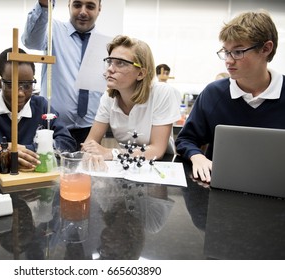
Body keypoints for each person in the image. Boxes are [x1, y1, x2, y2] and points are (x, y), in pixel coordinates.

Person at [175, 10, 285, 183]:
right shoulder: (213, 93)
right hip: (219, 188)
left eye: (238, 52)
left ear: (266, 48)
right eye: (226, 52)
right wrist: (197, 156)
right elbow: (186, 139)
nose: (228, 60)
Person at [0, 48, 76, 170]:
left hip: (32, 183)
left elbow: (67, 143)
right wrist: (1, 156)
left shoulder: (42, 106)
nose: (20, 93)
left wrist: (26, 149)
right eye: (12, 85)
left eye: (27, 85)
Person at [81, 35, 181, 161]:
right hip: (125, 166)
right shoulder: (108, 97)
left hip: (159, 166)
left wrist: (111, 153)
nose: (110, 69)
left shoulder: (162, 93)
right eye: (110, 62)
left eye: (120, 63)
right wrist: (90, 152)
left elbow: (157, 150)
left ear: (141, 73)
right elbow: (90, 142)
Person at [22, 0, 103, 150]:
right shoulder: (53, 30)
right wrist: (45, 6)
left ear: (99, 9)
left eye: (90, 6)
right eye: (77, 5)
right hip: (54, 127)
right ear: (69, 6)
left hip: (91, 130)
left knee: (87, 172)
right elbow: (30, 41)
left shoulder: (105, 44)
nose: (83, 12)